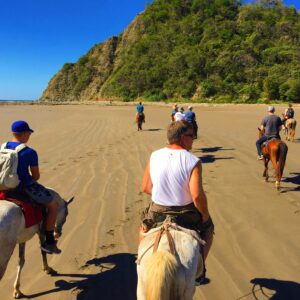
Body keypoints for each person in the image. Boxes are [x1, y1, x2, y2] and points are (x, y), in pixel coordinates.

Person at [140, 120, 214, 282]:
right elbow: (196, 196)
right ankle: (199, 272)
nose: (194, 138)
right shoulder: (192, 161)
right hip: (185, 213)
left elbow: (146, 187)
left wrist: (164, 192)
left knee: (143, 229)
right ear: (182, 137)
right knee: (208, 229)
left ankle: (139, 263)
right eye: (191, 135)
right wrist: (205, 215)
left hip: (158, 211)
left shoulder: (155, 155)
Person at [3, 120, 61, 254]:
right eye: (28, 133)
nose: (29, 136)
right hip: (22, 187)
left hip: (3, 186)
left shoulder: (2, 147)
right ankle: (49, 242)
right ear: (23, 134)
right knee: (53, 205)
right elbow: (35, 176)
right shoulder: (29, 152)